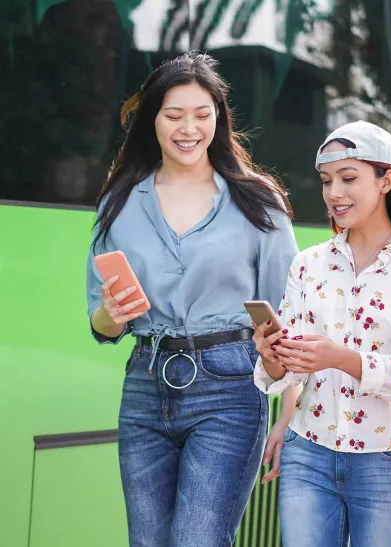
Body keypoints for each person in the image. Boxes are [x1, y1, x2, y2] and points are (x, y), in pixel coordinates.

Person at [85, 52, 298, 547]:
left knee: (199, 540)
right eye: (174, 114)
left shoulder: (257, 201)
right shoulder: (119, 200)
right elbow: (101, 323)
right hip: (144, 381)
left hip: (229, 386)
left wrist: (291, 410)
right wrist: (110, 314)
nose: (189, 128)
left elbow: (289, 316)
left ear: (219, 118)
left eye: (203, 114)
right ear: (152, 119)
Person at [253, 121, 391, 546]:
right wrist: (272, 356)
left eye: (349, 178)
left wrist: (341, 358)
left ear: (386, 180)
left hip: (389, 462)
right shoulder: (308, 264)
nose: (334, 192)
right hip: (308, 453)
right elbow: (291, 372)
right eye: (326, 181)